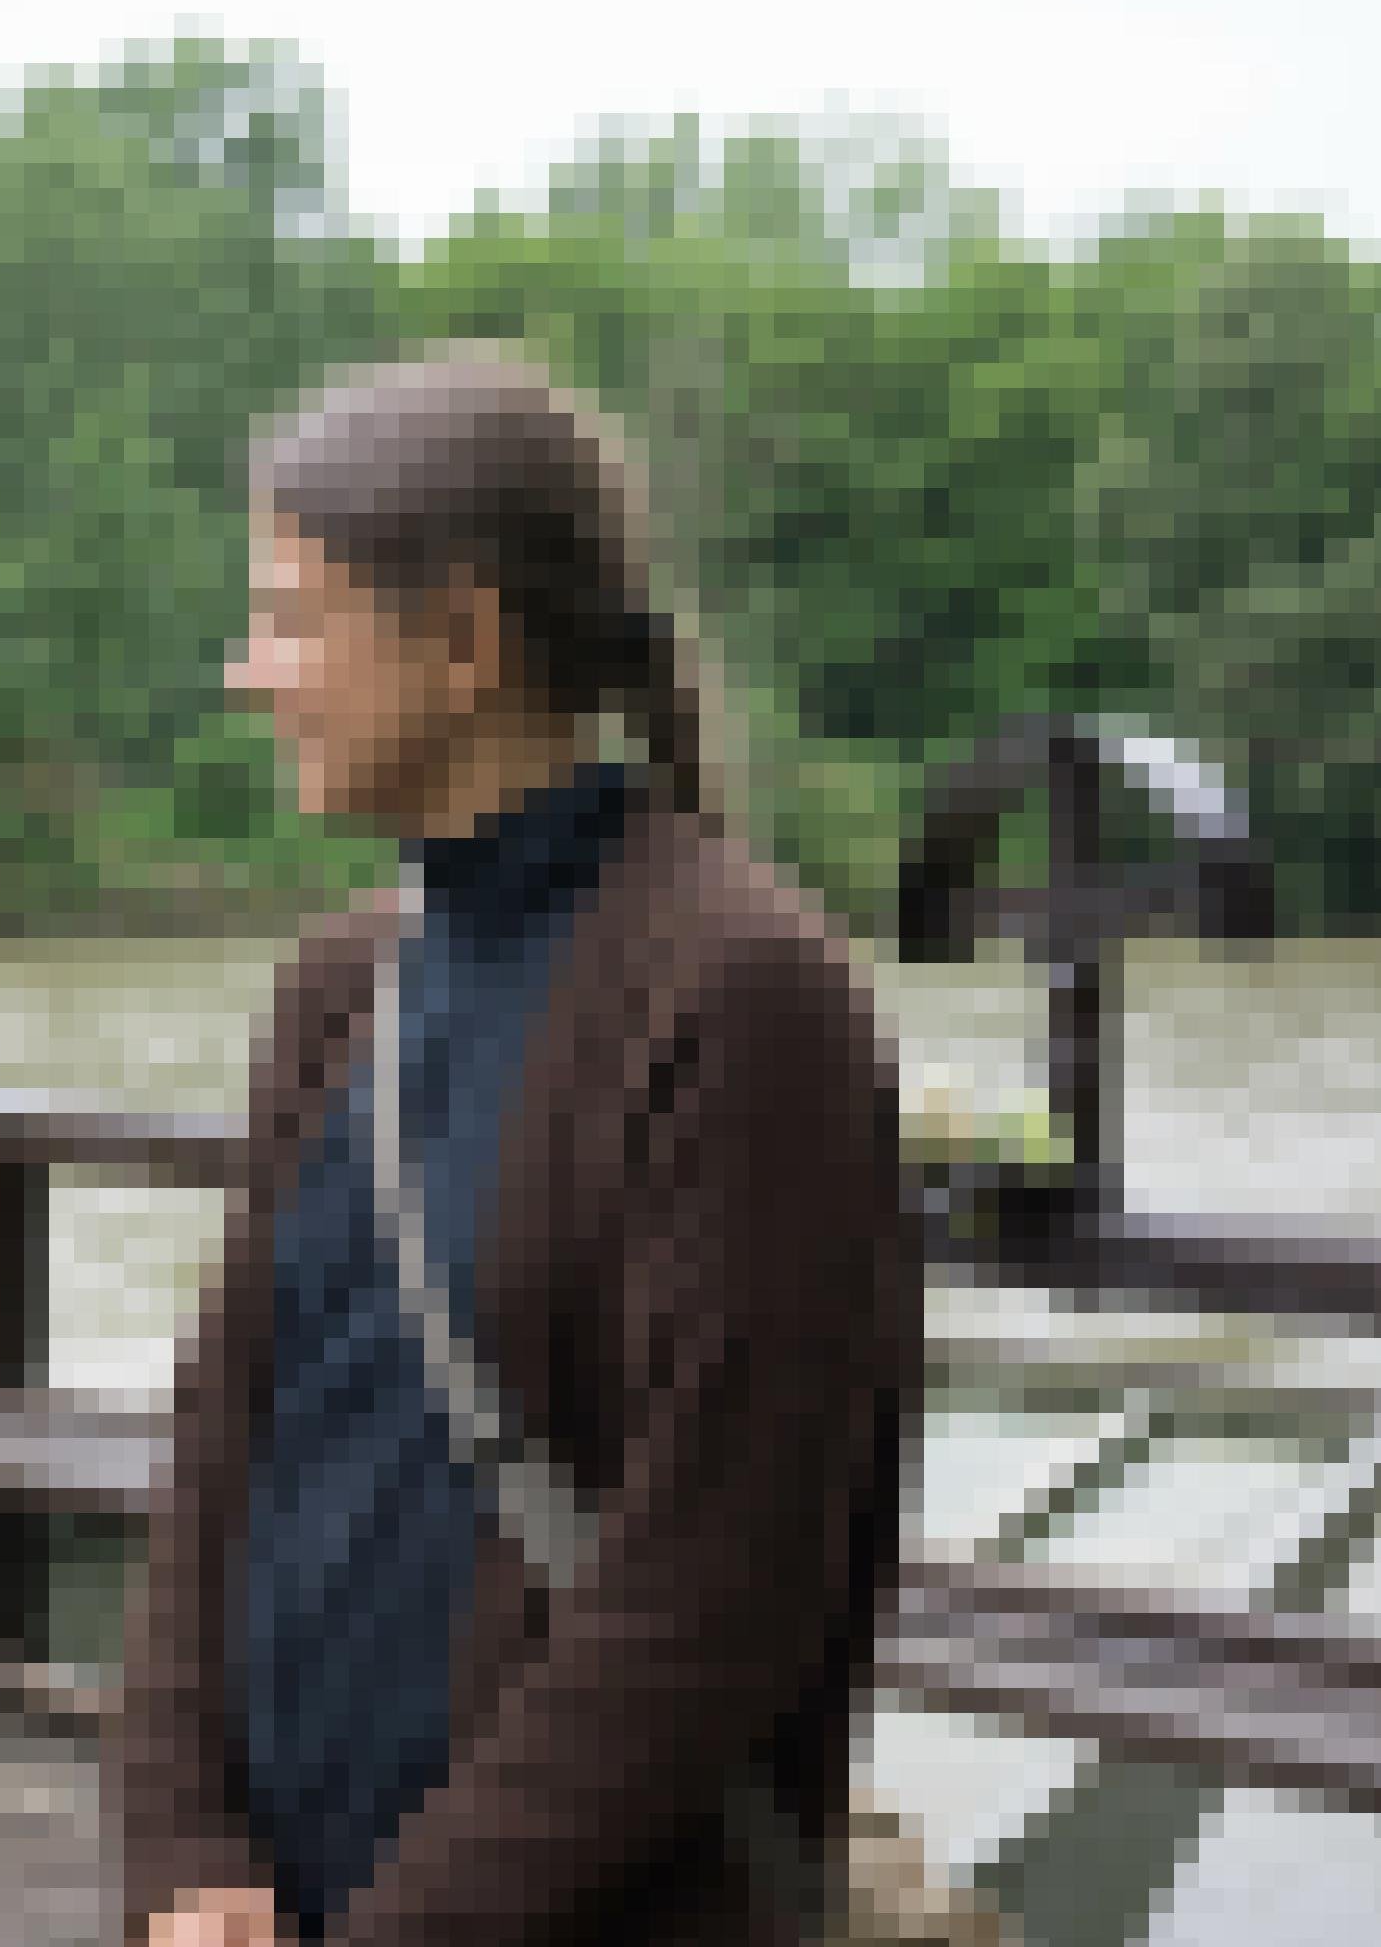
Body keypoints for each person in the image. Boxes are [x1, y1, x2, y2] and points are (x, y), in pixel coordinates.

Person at [110, 344, 920, 1947]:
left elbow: (712, 1601)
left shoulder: (745, 994)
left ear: (467, 639)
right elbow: (227, 1436)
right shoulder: (341, 983)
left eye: (290, 618)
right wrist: (186, 1844)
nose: (246, 671)